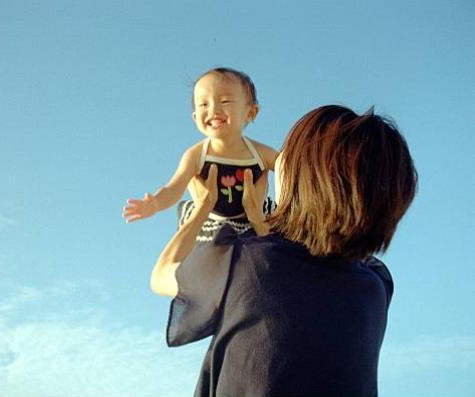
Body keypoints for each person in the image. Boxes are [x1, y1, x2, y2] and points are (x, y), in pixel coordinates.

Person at [150, 105, 418, 396]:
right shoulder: (376, 285)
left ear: (303, 178)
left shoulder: (242, 263)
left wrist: (203, 208)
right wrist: (259, 221)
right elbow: (298, 277)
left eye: (284, 159)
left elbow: (162, 275)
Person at [123, 67, 278, 241]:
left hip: (254, 220)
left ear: (250, 112)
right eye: (204, 104)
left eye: (225, 101)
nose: (213, 110)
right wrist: (155, 203)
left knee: (280, 229)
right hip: (211, 223)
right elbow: (174, 188)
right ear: (195, 117)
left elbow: (290, 167)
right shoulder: (196, 155)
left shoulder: (261, 153)